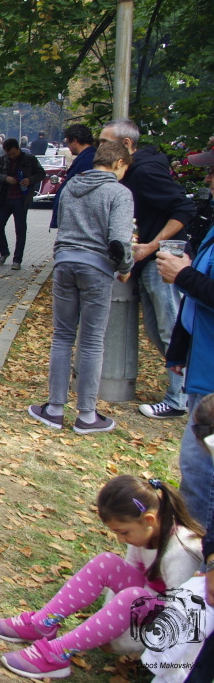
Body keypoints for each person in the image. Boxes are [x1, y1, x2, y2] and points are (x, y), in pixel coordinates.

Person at [0, 476, 202, 679]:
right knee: (107, 562)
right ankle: (43, 623)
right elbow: (124, 589)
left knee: (134, 597)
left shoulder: (182, 552)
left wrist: (121, 641)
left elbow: (180, 619)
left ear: (148, 520)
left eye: (123, 532)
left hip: (168, 624)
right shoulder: (145, 532)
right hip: (144, 606)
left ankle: (58, 654)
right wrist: (105, 627)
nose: (120, 539)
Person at [27, 139, 134, 435]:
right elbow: (119, 242)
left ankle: (54, 408)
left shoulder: (72, 185)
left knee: (62, 335)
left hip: (64, 263)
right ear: (118, 164)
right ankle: (86, 415)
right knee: (91, 340)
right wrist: (125, 268)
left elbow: (61, 221)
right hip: (96, 268)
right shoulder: (119, 193)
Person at [109, 117, 196, 420]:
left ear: (127, 145)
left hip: (165, 261)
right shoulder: (130, 172)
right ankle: (189, 388)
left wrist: (152, 245)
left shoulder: (145, 172)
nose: (100, 149)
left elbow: (185, 208)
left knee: (170, 328)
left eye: (105, 143)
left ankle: (180, 399)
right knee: (157, 331)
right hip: (148, 262)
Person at [159, 197, 214, 532]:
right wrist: (180, 348)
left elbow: (196, 282)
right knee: (198, 467)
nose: (207, 178)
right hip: (202, 364)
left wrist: (184, 276)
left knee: (201, 471)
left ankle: (198, 566)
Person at [0, 137, 45, 270]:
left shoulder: (29, 159)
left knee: (20, 230)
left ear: (18, 148)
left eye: (14, 153)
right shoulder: (2, 159)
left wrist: (30, 180)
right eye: (9, 154)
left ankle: (17, 259)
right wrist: (5, 178)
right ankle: (4, 252)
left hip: (21, 199)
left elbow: (41, 174)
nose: (12, 156)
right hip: (4, 198)